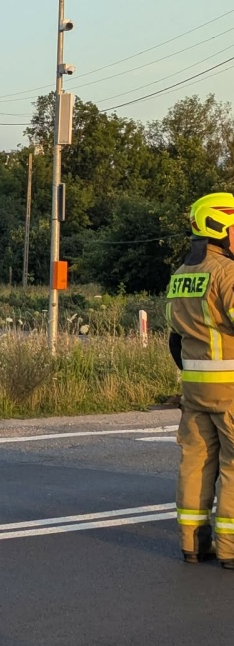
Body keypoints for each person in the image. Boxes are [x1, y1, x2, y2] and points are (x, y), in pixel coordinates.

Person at [167, 192, 234, 568]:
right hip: (231, 386)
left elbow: (175, 337)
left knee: (196, 461)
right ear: (219, 228)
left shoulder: (181, 275)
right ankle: (230, 548)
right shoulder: (229, 273)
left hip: (194, 386)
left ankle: (192, 542)